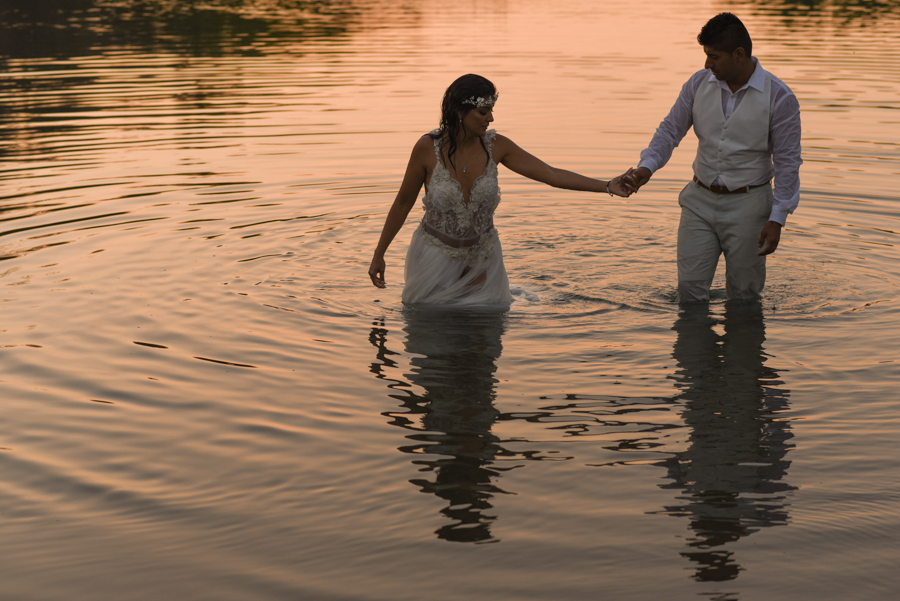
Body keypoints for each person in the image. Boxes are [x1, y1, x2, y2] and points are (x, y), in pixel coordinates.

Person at [368, 74, 631, 307]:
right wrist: (379, 253)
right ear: (460, 110)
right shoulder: (426, 148)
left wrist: (607, 185)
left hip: (483, 257)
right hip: (434, 258)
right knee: (433, 342)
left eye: (491, 110)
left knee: (483, 344)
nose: (491, 118)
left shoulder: (497, 146)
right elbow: (403, 202)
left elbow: (551, 175)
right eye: (483, 112)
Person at [622, 12, 802, 303]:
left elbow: (787, 163)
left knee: (745, 296)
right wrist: (647, 167)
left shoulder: (780, 98)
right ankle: (693, 348)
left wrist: (777, 218)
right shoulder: (697, 84)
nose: (707, 64)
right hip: (699, 201)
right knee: (689, 292)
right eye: (706, 55)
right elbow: (670, 130)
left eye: (714, 56)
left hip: (750, 204)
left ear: (739, 54)